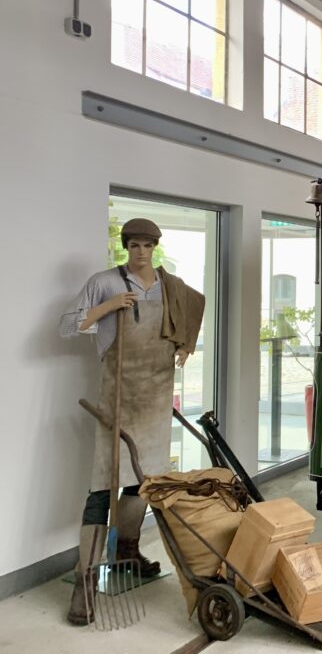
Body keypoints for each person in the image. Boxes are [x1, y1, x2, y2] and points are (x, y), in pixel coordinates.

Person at [59, 218, 204, 626]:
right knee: (100, 490)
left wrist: (187, 345)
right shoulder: (104, 282)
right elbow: (67, 326)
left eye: (148, 245)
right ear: (125, 246)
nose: (141, 252)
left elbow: (192, 309)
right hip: (117, 402)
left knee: (144, 482)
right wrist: (107, 307)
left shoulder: (168, 284)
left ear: (156, 247)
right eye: (134, 245)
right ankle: (84, 581)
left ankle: (127, 550)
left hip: (155, 400)